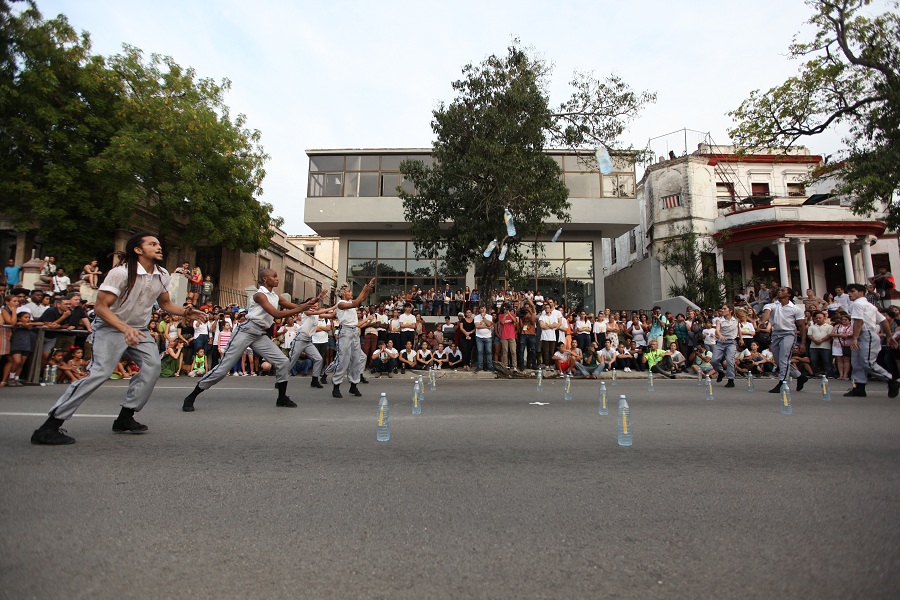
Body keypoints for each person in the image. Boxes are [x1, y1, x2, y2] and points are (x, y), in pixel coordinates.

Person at [31, 232, 208, 445]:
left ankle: (125, 416)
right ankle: (50, 426)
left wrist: (186, 312)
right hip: (110, 328)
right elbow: (101, 307)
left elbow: (165, 304)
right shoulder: (120, 273)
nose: (159, 247)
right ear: (138, 250)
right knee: (99, 373)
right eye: (152, 244)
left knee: (153, 368)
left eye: (159, 244)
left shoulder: (162, 274)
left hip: (138, 330)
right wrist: (124, 328)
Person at [182, 270, 324, 411]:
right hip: (246, 331)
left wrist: (315, 301)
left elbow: (298, 307)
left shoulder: (275, 296)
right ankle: (191, 396)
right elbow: (276, 313)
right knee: (223, 369)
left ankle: (282, 398)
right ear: (265, 279)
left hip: (260, 334)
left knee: (283, 362)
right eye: (274, 276)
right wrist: (303, 307)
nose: (277, 279)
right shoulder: (259, 295)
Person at [844, 283, 900, 397]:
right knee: (857, 362)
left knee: (867, 362)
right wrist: (889, 336)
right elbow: (883, 320)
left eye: (852, 291)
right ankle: (859, 387)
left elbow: (859, 321)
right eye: (848, 292)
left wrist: (854, 338)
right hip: (863, 335)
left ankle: (891, 380)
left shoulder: (857, 304)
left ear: (861, 293)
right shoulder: (869, 305)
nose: (849, 294)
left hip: (866, 334)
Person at [327, 279, 375, 398]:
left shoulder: (350, 302)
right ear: (343, 294)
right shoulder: (341, 304)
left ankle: (353, 385)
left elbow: (362, 299)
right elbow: (356, 303)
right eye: (349, 291)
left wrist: (367, 289)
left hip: (354, 332)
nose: (351, 293)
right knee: (343, 360)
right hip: (345, 332)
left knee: (356, 359)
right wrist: (364, 289)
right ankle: (336, 386)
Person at [758, 286, 809, 394]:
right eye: (779, 290)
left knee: (784, 358)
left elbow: (802, 326)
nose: (779, 291)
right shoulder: (772, 305)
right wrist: (763, 321)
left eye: (783, 290)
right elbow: (767, 313)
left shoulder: (795, 309)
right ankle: (800, 376)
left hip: (789, 334)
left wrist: (803, 343)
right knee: (778, 360)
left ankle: (782, 383)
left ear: (789, 294)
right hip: (776, 334)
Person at [712, 305, 739, 388]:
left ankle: (731, 379)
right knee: (714, 360)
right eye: (722, 309)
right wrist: (720, 335)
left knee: (729, 360)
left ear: (730, 310)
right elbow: (717, 329)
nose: (722, 310)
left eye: (724, 309)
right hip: (721, 342)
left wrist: (741, 338)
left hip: (731, 342)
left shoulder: (736, 320)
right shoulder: (719, 320)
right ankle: (720, 372)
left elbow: (738, 329)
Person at [473, 304, 494, 372]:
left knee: (489, 352)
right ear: (479, 310)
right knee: (480, 352)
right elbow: (477, 326)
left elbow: (489, 324)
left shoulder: (489, 316)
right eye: (481, 308)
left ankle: (490, 366)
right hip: (479, 336)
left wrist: (484, 317)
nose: (483, 309)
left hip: (488, 336)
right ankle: (480, 366)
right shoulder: (476, 317)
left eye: (484, 308)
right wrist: (486, 327)